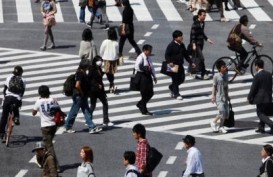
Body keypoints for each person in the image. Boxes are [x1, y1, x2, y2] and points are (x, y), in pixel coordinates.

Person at [64, 59, 102, 134]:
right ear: (85, 66)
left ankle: (92, 127)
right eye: (88, 66)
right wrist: (81, 92)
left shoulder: (81, 72)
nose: (89, 67)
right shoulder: (80, 73)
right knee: (74, 111)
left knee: (86, 111)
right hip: (79, 96)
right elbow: (77, 85)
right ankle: (68, 126)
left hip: (82, 95)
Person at [32, 85, 61, 171]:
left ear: (40, 93)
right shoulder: (53, 100)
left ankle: (56, 166)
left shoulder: (38, 101)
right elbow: (58, 110)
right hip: (54, 125)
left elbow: (33, 113)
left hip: (45, 126)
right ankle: (40, 159)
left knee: (49, 147)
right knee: (47, 144)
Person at [165, 30, 195, 100]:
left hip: (180, 64)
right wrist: (169, 62)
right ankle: (176, 94)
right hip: (173, 65)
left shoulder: (182, 45)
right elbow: (167, 55)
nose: (182, 37)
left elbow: (186, 55)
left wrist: (191, 62)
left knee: (181, 79)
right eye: (180, 36)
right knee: (175, 80)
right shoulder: (171, 45)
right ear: (175, 38)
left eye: (181, 36)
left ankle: (171, 87)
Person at [0, 66, 26, 142]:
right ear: (21, 73)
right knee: (16, 107)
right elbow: (22, 92)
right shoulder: (23, 80)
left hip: (8, 98)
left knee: (4, 116)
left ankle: (1, 133)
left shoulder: (9, 77)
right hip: (16, 99)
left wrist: (5, 96)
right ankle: (16, 117)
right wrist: (20, 99)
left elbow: (4, 89)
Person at [247, 59, 273, 134]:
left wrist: (249, 97)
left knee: (260, 113)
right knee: (263, 111)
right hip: (268, 96)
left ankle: (271, 124)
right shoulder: (269, 74)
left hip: (260, 97)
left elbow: (253, 88)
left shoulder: (257, 76)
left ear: (256, 66)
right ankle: (261, 127)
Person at [88, 56, 114, 126]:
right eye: (99, 61)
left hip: (100, 90)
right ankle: (89, 119)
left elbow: (99, 75)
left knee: (104, 103)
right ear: (95, 61)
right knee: (93, 105)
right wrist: (97, 85)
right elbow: (90, 80)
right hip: (94, 90)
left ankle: (105, 120)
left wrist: (104, 72)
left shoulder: (98, 68)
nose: (101, 62)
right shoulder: (92, 69)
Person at [189, 9, 214, 80]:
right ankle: (203, 74)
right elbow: (193, 34)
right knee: (201, 58)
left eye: (205, 15)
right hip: (196, 44)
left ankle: (192, 71)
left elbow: (202, 33)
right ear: (199, 15)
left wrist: (207, 39)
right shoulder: (195, 24)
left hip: (200, 43)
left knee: (195, 58)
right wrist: (193, 44)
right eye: (203, 15)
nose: (205, 16)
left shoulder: (202, 23)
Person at [135, 44, 157, 115]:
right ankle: (144, 110)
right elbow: (137, 67)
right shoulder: (140, 57)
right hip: (142, 77)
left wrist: (154, 76)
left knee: (151, 93)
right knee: (144, 94)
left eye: (150, 51)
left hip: (148, 76)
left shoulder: (148, 57)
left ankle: (140, 103)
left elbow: (152, 67)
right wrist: (144, 69)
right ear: (144, 50)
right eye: (149, 51)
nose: (150, 52)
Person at [210, 60, 229, 134]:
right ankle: (213, 121)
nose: (225, 68)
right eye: (223, 67)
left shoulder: (226, 75)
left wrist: (228, 95)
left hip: (225, 97)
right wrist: (213, 96)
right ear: (219, 69)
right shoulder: (216, 76)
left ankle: (221, 126)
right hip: (219, 97)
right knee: (222, 112)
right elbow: (214, 86)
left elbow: (226, 86)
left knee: (225, 113)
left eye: (225, 66)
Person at [100, 27, 119, 93]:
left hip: (106, 59)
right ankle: (111, 84)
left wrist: (102, 56)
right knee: (111, 73)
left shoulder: (105, 42)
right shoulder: (116, 43)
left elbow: (101, 51)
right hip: (113, 60)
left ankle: (108, 84)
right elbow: (117, 53)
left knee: (104, 72)